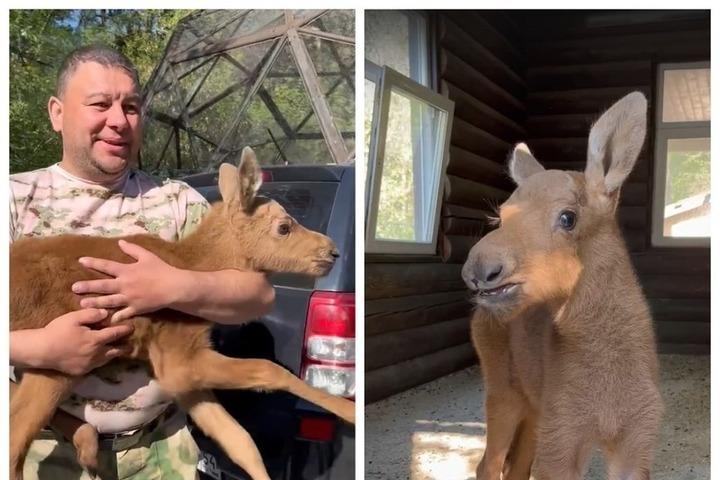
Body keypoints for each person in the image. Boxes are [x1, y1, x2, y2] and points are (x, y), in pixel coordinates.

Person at [10, 45, 275, 479]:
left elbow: (258, 296)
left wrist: (175, 286)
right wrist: (39, 349)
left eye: (131, 107)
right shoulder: (15, 200)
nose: (118, 120)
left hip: (163, 453)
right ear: (57, 113)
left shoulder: (176, 201)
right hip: (46, 454)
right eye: (100, 104)